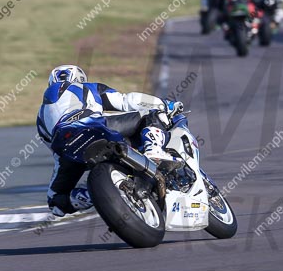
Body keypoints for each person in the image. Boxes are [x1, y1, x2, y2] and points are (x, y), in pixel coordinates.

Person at [36, 65, 183, 217]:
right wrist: (165, 105)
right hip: (92, 126)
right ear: (79, 79)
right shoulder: (88, 87)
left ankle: (90, 195)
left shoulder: (40, 116)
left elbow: (54, 150)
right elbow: (126, 101)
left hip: (67, 149)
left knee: (56, 201)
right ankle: (154, 151)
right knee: (152, 115)